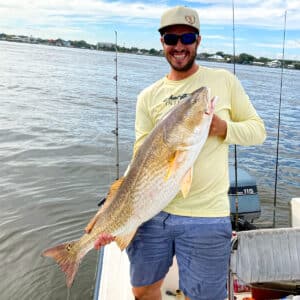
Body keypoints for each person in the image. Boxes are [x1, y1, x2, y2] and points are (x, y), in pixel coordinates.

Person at [95, 5, 266, 300]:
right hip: (151, 215)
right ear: (162, 42)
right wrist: (110, 210)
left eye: (187, 37)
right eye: (171, 38)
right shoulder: (147, 97)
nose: (179, 46)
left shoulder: (224, 81)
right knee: (143, 290)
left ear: (198, 40)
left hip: (206, 216)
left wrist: (224, 128)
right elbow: (140, 158)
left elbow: (258, 131)